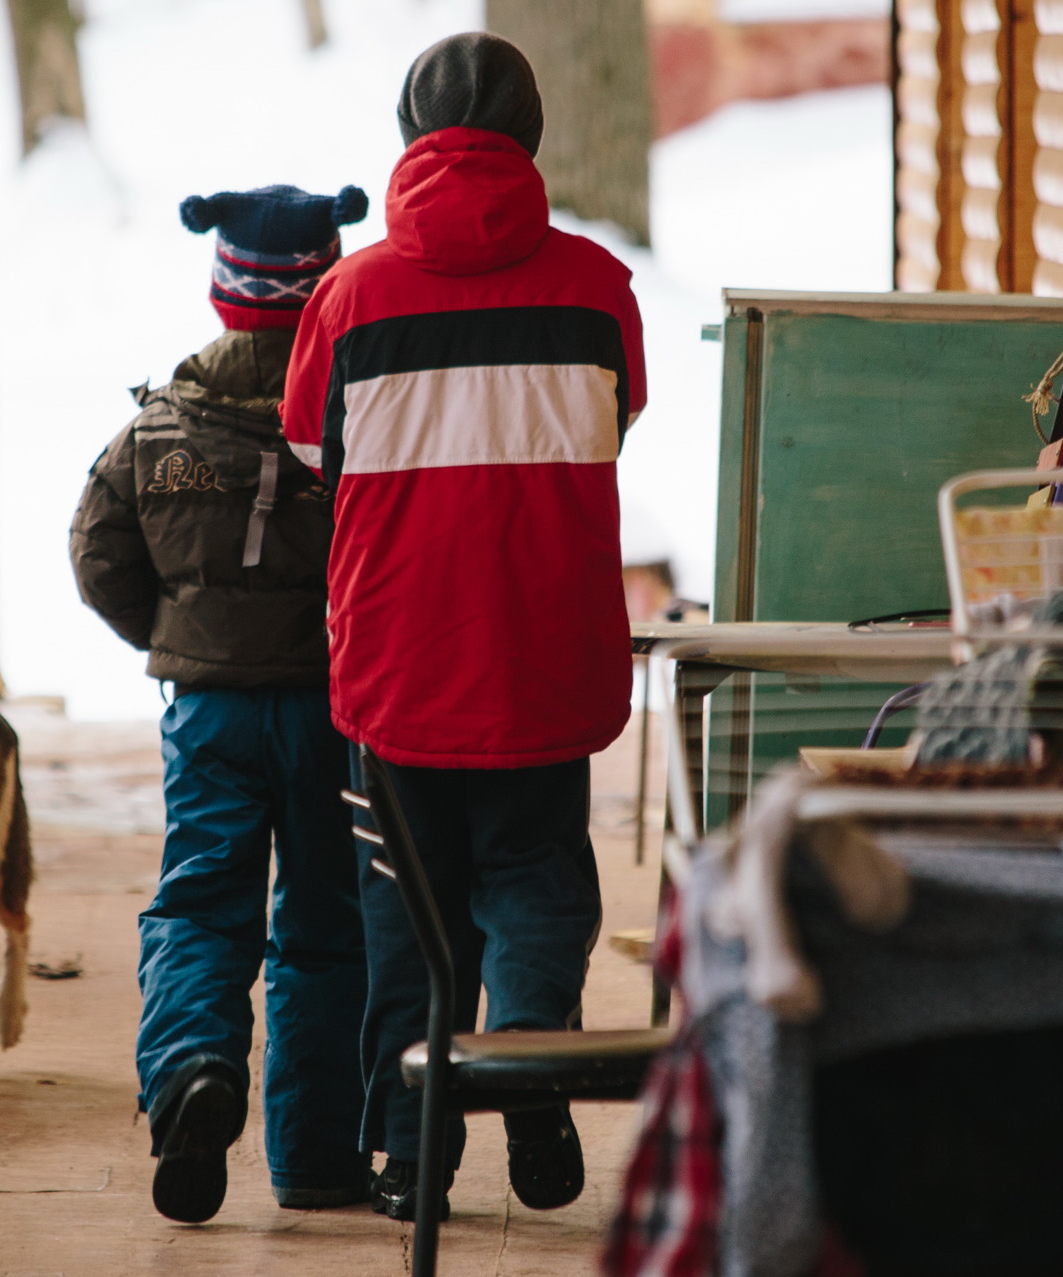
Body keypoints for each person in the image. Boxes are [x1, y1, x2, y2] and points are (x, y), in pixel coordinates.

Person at [279, 32, 647, 1221]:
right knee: (538, 876)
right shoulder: (599, 287)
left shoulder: (350, 295)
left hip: (398, 667)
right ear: (532, 138)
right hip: (544, 655)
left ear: (408, 138)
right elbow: (619, 412)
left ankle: (409, 1148)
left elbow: (305, 451)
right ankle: (530, 1061)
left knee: (407, 906)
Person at [70, 182, 374, 1223]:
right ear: (327, 285)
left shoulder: (158, 427)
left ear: (223, 294)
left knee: (202, 901)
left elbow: (98, 550)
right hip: (336, 714)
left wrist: (179, 633)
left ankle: (195, 1067)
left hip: (209, 717)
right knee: (328, 926)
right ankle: (319, 1155)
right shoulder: (356, 422)